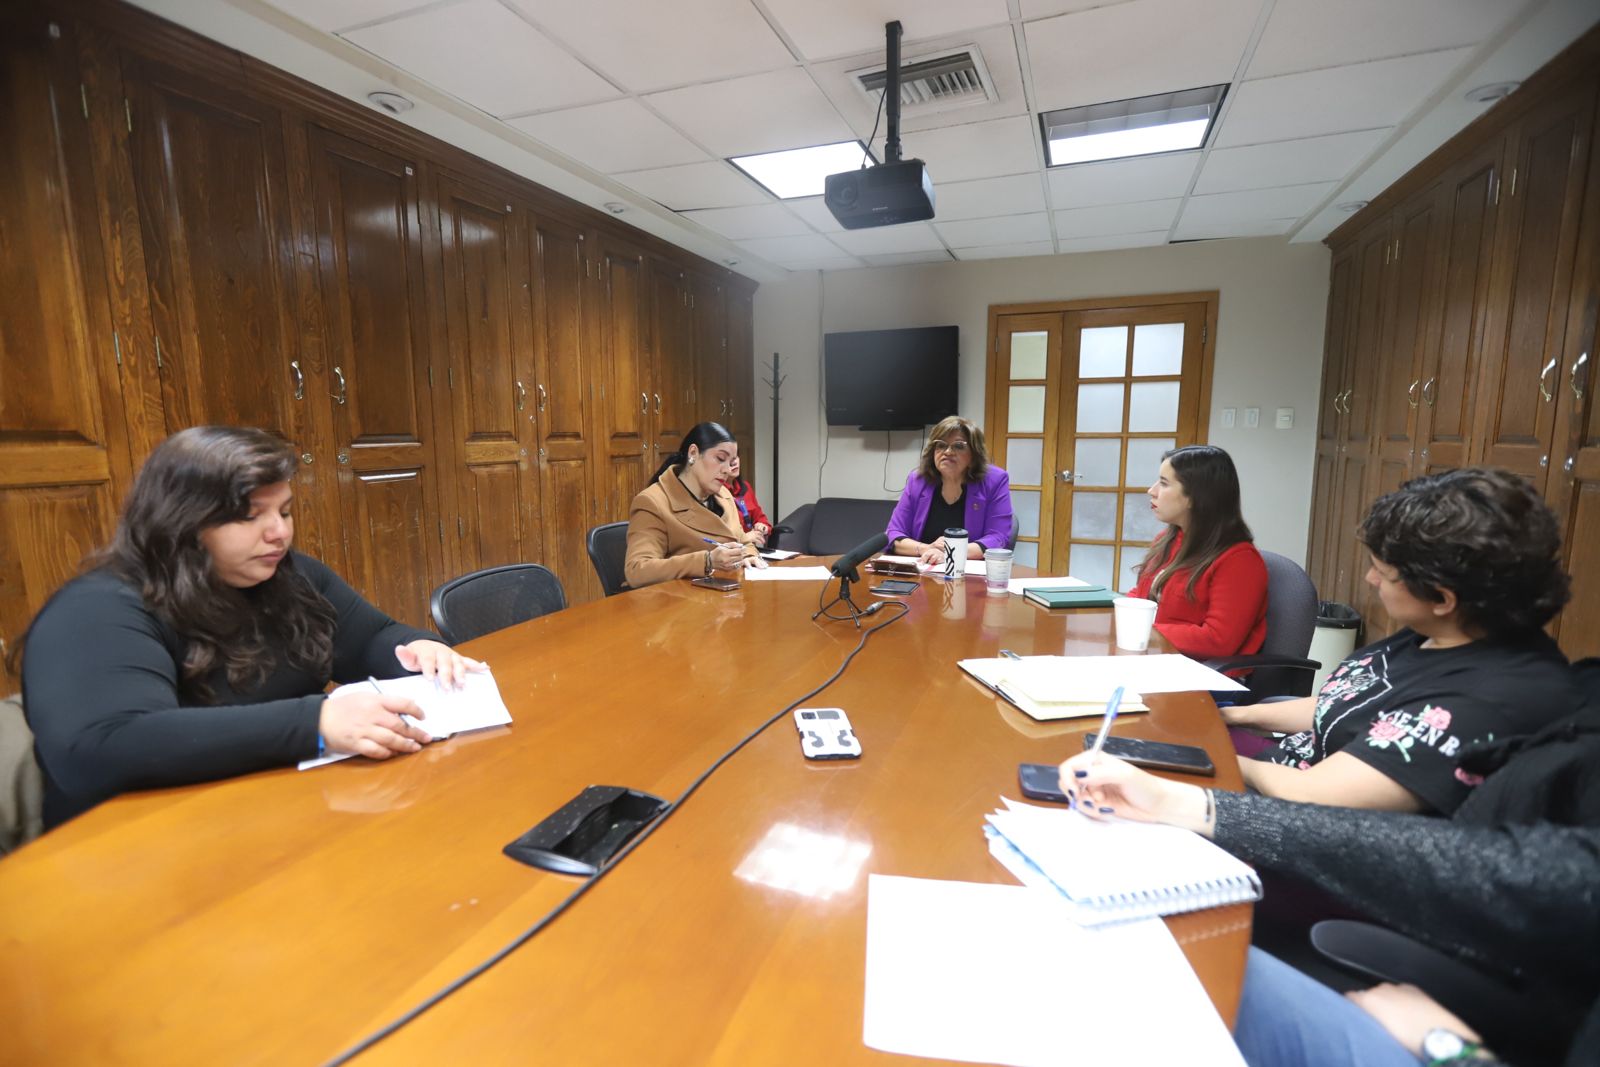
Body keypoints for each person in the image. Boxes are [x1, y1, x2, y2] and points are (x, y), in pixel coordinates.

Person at [1057, 658, 1600, 1067]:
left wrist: (1450, 1049)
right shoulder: (1582, 684)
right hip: (1506, 978)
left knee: (1175, 973)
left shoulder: (1517, 688)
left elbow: (1516, 874)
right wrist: (1195, 805)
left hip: (1476, 1027)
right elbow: (1509, 866)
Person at [19, 426, 481, 830]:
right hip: (138, 844)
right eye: (249, 515)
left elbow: (370, 638)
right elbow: (102, 748)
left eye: (284, 511)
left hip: (274, 813)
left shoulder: (289, 576)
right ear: (183, 522)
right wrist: (315, 723)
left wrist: (419, 647)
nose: (279, 532)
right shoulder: (96, 609)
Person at [1228, 467, 1574, 813]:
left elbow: (1312, 794)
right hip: (1283, 768)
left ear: (1442, 598)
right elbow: (1345, 703)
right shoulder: (1439, 631)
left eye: (1383, 571)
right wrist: (1236, 715)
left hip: (1298, 811)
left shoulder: (1487, 701)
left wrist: (1220, 760)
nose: (1370, 578)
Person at [1128, 445, 1267, 660]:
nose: (1152, 491)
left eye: (1164, 483)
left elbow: (1218, 640)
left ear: (1195, 496)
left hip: (1199, 671)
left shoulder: (1240, 560)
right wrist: (1121, 615)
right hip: (1155, 656)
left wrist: (1145, 629)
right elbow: (1141, 596)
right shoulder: (1168, 539)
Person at [624, 421, 761, 589]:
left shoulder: (724, 495)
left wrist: (749, 555)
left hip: (725, 594)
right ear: (693, 453)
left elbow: (743, 542)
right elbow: (637, 570)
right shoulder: (653, 502)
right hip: (676, 599)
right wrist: (707, 561)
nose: (727, 470)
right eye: (720, 459)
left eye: (731, 462)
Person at [885, 416, 1014, 567]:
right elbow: (894, 534)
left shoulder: (994, 480)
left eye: (958, 446)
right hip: (923, 569)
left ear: (974, 454)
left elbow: (998, 538)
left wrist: (951, 552)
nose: (948, 451)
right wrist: (927, 549)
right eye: (941, 445)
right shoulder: (918, 481)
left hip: (970, 573)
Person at [721, 453, 771, 546]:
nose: (734, 463)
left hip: (750, 549)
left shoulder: (745, 487)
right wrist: (744, 538)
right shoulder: (715, 493)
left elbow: (760, 517)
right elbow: (716, 540)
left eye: (735, 457)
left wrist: (762, 527)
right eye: (726, 459)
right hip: (731, 552)